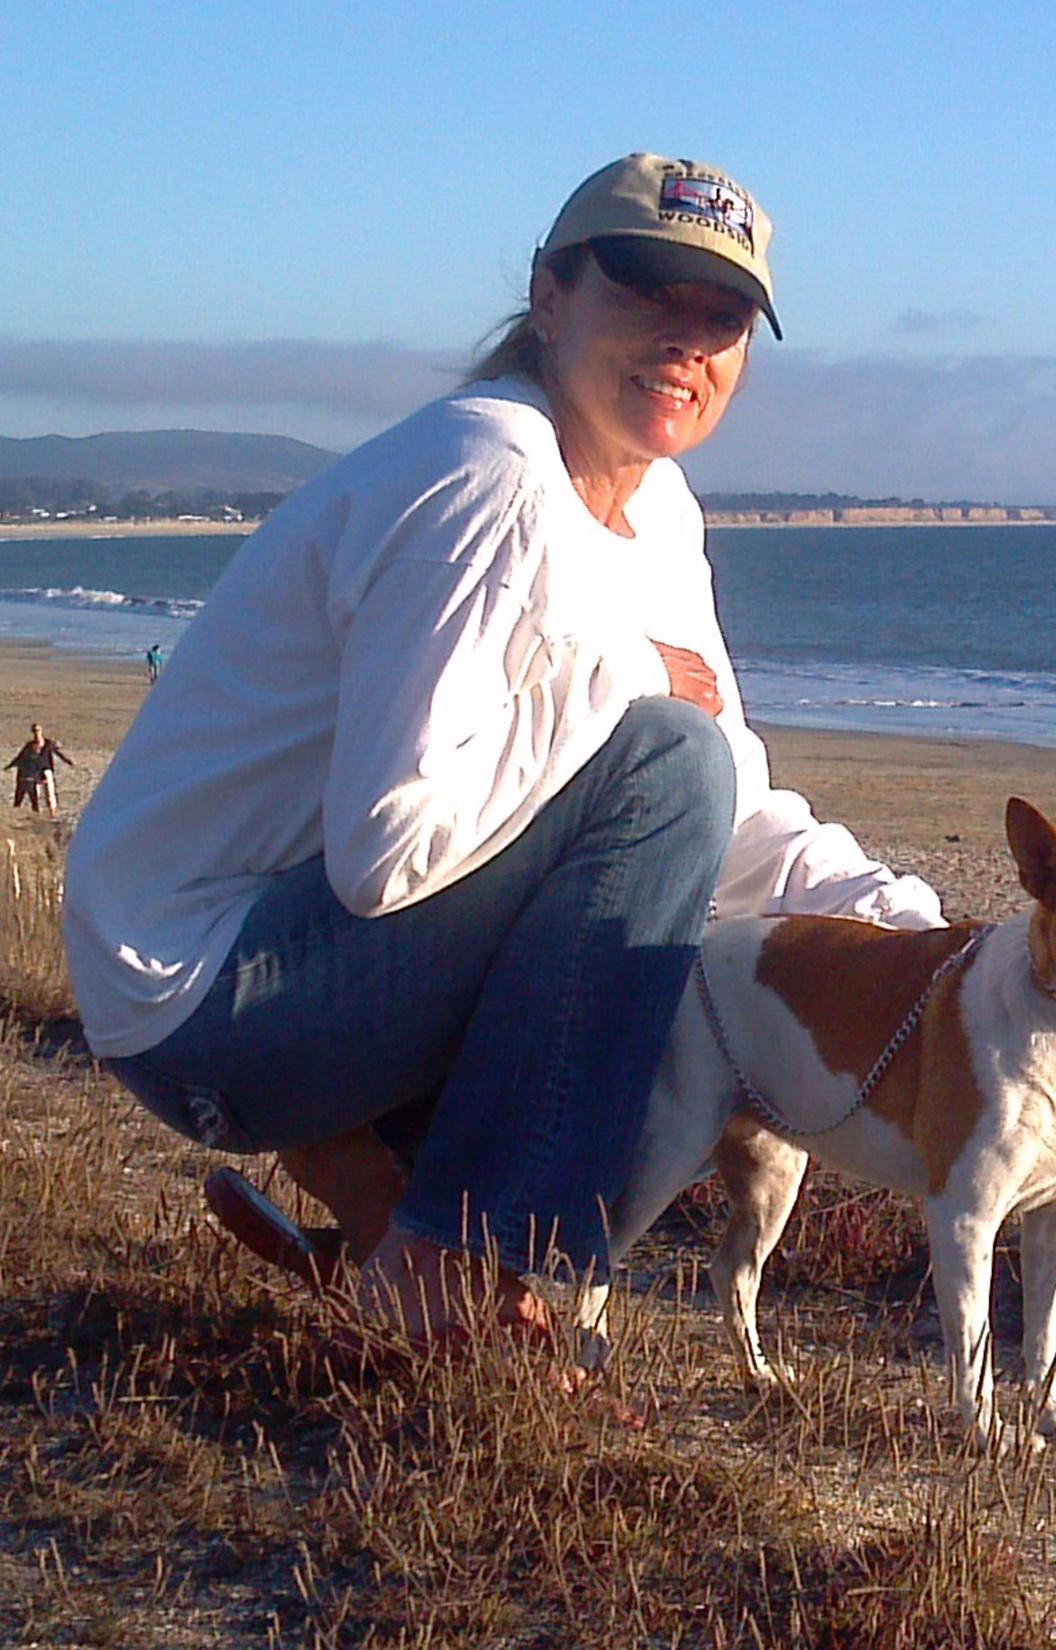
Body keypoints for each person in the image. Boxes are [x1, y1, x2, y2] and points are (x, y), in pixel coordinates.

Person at [63, 154, 941, 1360]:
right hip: (203, 997)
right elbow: (390, 851)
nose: (686, 344)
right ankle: (447, 1272)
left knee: (670, 830)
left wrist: (908, 927)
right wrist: (624, 678)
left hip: (279, 963)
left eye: (723, 317)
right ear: (547, 300)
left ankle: (379, 1216)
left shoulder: (658, 508)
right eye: (646, 295)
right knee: (661, 767)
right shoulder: (491, 477)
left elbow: (718, 805)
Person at [8, 722, 74, 813]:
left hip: (46, 771)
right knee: (35, 794)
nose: (36, 733)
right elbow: (20, 757)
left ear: (41, 731)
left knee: (49, 794)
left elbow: (58, 753)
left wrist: (68, 761)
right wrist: (10, 765)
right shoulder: (29, 745)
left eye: (38, 730)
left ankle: (52, 813)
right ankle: (37, 813)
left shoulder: (48, 743)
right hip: (36, 772)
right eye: (34, 731)